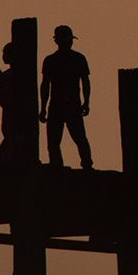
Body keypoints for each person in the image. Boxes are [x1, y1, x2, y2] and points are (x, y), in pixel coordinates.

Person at [39, 25, 93, 169]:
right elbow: (45, 85)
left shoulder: (54, 60)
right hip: (63, 105)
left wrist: (86, 102)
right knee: (60, 140)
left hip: (66, 105)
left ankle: (82, 164)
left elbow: (85, 82)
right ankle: (63, 165)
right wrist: (43, 107)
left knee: (76, 138)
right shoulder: (75, 59)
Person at [0, 42, 17, 163]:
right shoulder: (6, 76)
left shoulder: (8, 76)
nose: (4, 56)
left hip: (11, 115)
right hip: (9, 113)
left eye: (6, 53)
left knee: (10, 141)